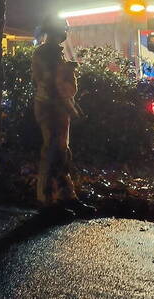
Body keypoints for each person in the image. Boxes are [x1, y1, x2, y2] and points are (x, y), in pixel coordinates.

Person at [32, 17, 95, 216]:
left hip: (57, 108)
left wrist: (73, 107)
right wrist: (72, 109)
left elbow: (60, 88)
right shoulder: (45, 53)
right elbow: (54, 86)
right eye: (63, 30)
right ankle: (47, 202)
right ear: (56, 32)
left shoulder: (53, 53)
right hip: (50, 108)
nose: (65, 34)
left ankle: (67, 197)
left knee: (62, 153)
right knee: (53, 153)